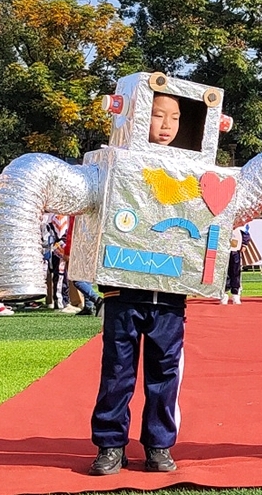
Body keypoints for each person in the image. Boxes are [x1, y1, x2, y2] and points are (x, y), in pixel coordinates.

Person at [89, 92, 185, 476]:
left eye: (174, 118)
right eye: (158, 115)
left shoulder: (188, 172)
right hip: (122, 289)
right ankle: (110, 444)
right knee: (117, 371)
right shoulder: (117, 163)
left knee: (164, 372)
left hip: (169, 294)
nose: (166, 125)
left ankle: (158, 444)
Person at [220, 225, 250, 305]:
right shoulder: (222, 221)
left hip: (235, 249)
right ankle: (224, 294)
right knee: (224, 272)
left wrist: (244, 244)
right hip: (223, 249)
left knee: (235, 271)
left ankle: (235, 294)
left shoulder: (241, 223)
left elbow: (245, 232)